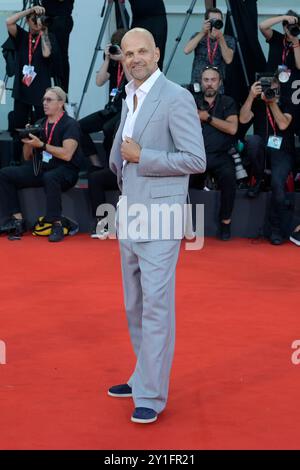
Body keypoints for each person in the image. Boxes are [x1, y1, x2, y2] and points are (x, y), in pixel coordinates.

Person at [108, 28, 206, 423]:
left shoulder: (176, 97)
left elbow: (194, 159)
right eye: (128, 53)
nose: (134, 59)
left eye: (142, 51)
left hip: (161, 218)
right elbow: (121, 153)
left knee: (156, 307)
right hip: (130, 211)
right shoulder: (129, 96)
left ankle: (151, 392)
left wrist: (142, 156)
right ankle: (142, 373)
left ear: (157, 53)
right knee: (135, 304)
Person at [0, 87, 81, 243]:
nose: (44, 103)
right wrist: (28, 141)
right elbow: (27, 157)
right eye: (44, 99)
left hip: (66, 171)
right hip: (41, 168)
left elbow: (67, 154)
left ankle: (56, 224)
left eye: (49, 100)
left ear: (61, 103)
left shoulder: (70, 124)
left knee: (51, 177)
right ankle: (17, 220)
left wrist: (42, 145)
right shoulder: (40, 123)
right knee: (5, 174)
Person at [239, 78, 295, 245]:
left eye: (274, 86)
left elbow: (283, 124)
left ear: (279, 87)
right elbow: (242, 119)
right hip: (263, 148)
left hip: (283, 151)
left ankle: (275, 229)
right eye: (266, 86)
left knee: (278, 184)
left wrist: (271, 103)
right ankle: (259, 178)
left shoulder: (288, 102)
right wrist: (250, 96)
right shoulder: (257, 102)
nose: (270, 89)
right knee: (253, 141)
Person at [6, 4, 61, 163]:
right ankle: (16, 160)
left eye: (39, 19)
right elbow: (9, 21)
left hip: (41, 92)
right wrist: (29, 11)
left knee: (42, 128)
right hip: (22, 90)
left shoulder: (49, 36)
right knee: (18, 126)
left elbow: (46, 53)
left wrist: (43, 31)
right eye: (34, 20)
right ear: (28, 21)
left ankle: (43, 160)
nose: (37, 22)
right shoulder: (22, 37)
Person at [189, 66, 238, 241]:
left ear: (220, 82)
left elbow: (232, 128)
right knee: (178, 179)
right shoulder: (191, 101)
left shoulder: (227, 102)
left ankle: (225, 222)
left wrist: (207, 117)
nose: (209, 84)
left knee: (229, 177)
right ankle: (180, 223)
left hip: (219, 155)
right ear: (201, 82)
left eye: (213, 80)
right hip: (194, 155)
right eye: (206, 80)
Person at [78, 29, 127, 172]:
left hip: (125, 109)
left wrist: (123, 59)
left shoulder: (132, 62)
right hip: (111, 108)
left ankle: (113, 168)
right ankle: (96, 164)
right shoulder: (112, 64)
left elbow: (132, 80)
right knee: (79, 127)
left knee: (108, 128)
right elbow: (99, 81)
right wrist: (107, 59)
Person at [184, 7, 235, 87]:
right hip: (198, 82)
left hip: (217, 85)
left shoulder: (228, 39)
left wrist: (220, 38)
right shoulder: (198, 36)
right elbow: (186, 50)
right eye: (213, 20)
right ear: (206, 21)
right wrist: (202, 32)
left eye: (218, 20)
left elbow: (228, 59)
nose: (215, 23)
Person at [259, 10, 300, 101]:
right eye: (288, 26)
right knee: (267, 111)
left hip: (290, 86)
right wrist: (283, 17)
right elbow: (262, 26)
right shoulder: (277, 38)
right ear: (284, 28)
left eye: (296, 26)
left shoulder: (298, 44)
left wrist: (296, 43)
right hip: (271, 82)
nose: (292, 29)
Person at [42, 0, 75, 93]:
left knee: (60, 57)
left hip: (60, 20)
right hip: (47, 18)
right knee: (44, 55)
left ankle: (61, 91)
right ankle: (46, 89)